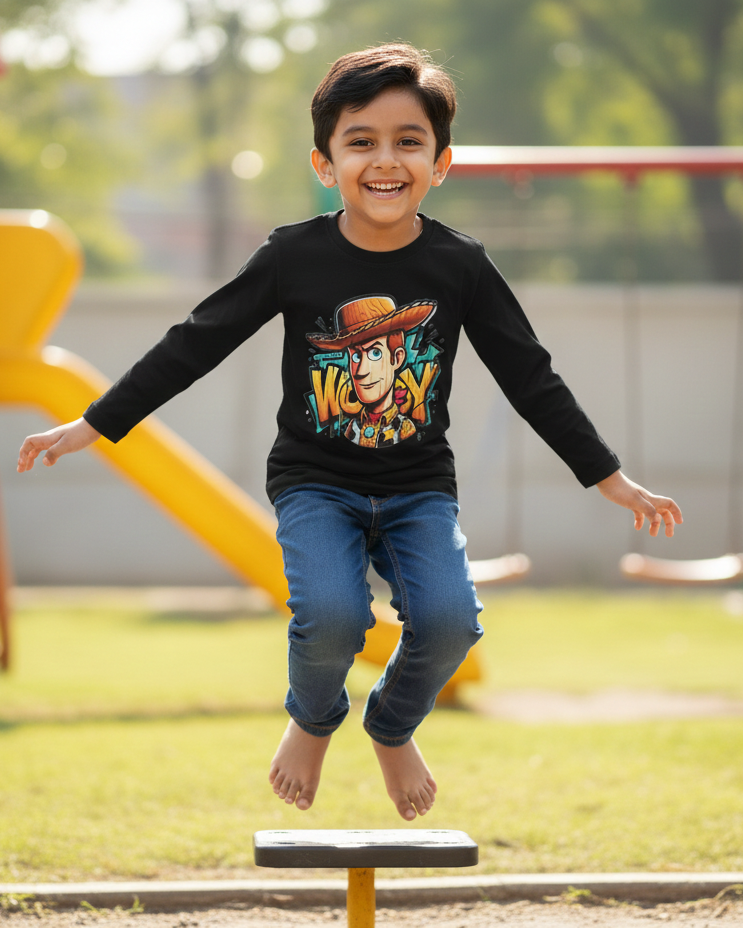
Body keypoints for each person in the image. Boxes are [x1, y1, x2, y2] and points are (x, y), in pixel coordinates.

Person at [17, 43, 682, 823]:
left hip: (415, 490)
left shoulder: (458, 265)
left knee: (447, 623)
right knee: (332, 617)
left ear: (440, 163)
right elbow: (195, 340)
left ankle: (392, 727)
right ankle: (312, 718)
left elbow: (528, 374)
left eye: (408, 140)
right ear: (324, 162)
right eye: (359, 141)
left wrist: (607, 475)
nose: (385, 159)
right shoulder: (293, 256)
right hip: (315, 483)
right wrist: (96, 423)